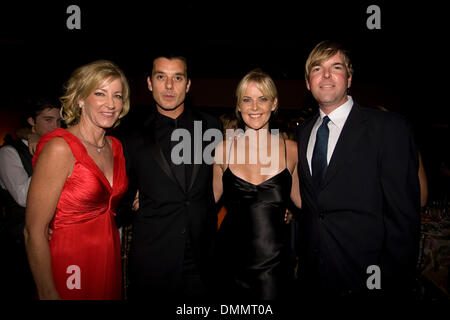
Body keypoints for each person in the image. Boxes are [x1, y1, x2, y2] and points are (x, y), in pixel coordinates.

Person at [295, 40, 421, 300]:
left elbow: (404, 219)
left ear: (349, 78)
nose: (326, 74)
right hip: (313, 280)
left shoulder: (389, 129)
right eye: (317, 68)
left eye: (336, 67)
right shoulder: (304, 132)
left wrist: (389, 283)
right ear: (308, 83)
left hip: (369, 282)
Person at [24, 60, 130, 300]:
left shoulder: (116, 147)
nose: (111, 104)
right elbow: (33, 231)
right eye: (100, 93)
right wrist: (47, 291)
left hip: (108, 255)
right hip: (70, 261)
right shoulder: (60, 148)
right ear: (80, 98)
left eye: (118, 95)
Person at [120, 53, 222, 300]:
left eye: (177, 78)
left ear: (187, 85)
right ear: (149, 83)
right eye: (161, 77)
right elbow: (118, 204)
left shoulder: (211, 127)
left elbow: (226, 179)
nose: (169, 86)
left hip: (203, 260)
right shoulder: (130, 137)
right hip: (153, 260)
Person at [212, 69, 301, 300]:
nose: (254, 107)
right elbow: (203, 203)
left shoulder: (290, 150)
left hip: (275, 267)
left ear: (274, 104)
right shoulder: (223, 150)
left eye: (262, 99)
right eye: (247, 99)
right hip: (229, 264)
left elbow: (306, 202)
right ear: (238, 106)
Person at [0, 99, 61, 299]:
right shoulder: (8, 153)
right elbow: (23, 197)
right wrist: (47, 157)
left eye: (59, 121)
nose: (55, 127)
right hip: (21, 242)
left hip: (54, 239)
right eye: (48, 120)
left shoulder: (59, 147)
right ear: (31, 121)